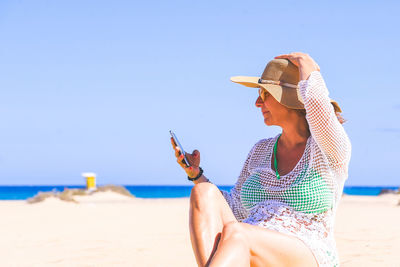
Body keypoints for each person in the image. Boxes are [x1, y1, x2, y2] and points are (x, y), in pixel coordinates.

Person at [171, 52, 351, 267]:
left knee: (238, 233)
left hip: (306, 251)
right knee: (203, 193)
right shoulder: (261, 150)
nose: (257, 103)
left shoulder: (328, 147)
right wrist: (196, 175)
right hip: (246, 238)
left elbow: (318, 110)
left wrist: (308, 67)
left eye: (264, 94)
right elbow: (237, 208)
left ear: (291, 98)